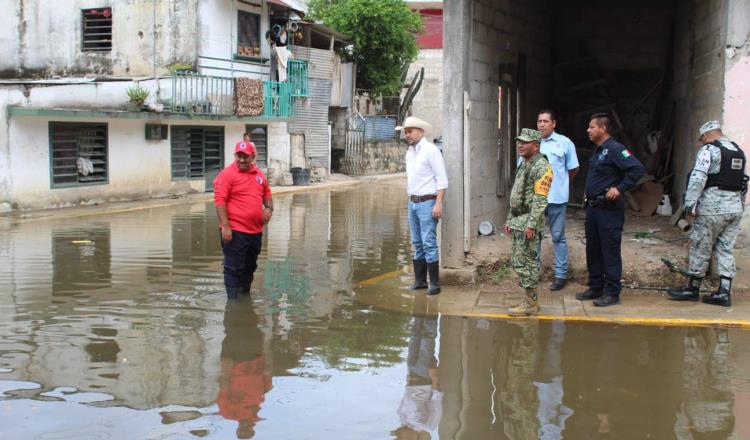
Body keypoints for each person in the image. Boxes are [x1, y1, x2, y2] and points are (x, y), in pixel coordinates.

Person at [667, 120, 747, 307]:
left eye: (701, 139)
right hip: (734, 208)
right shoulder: (738, 151)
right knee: (725, 249)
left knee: (700, 245)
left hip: (712, 208)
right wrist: (740, 205)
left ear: (706, 136)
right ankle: (724, 293)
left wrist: (690, 205)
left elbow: (698, 178)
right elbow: (744, 182)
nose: (701, 143)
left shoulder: (709, 150)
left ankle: (692, 289)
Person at [576, 113, 645, 307]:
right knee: (593, 250)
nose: (588, 130)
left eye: (591, 127)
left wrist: (619, 188)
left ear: (603, 129)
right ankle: (596, 286)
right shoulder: (598, 150)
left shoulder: (615, 149)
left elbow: (637, 169)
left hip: (609, 211)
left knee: (610, 251)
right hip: (593, 208)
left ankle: (612, 292)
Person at [214, 141, 273, 299]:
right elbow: (220, 201)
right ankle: (233, 302)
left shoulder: (259, 175)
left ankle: (244, 296)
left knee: (250, 266)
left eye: (245, 157)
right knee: (233, 267)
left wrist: (268, 208)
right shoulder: (227, 175)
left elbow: (267, 193)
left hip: (255, 232)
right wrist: (225, 226)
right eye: (238, 156)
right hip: (235, 231)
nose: (241, 160)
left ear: (253, 156)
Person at [398, 116, 448, 295]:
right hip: (413, 202)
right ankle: (420, 281)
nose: (407, 135)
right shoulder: (410, 152)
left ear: (421, 131)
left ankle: (434, 283)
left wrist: (438, 203)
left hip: (428, 202)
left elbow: (442, 180)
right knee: (417, 242)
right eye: (406, 132)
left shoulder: (431, 150)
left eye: (410, 131)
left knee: (429, 242)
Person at [505, 128, 552, 317]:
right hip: (519, 220)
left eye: (525, 143)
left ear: (536, 145)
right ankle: (529, 300)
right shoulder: (524, 163)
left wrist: (531, 225)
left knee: (528, 263)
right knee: (519, 261)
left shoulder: (542, 167)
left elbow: (541, 200)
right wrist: (510, 218)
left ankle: (531, 304)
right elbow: (517, 193)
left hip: (528, 223)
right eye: (519, 142)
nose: (520, 145)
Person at [536, 110, 579, 291]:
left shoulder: (565, 143)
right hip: (536, 199)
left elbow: (573, 168)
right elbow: (522, 170)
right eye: (539, 121)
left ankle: (560, 275)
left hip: (557, 199)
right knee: (533, 236)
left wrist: (560, 185)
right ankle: (533, 272)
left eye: (546, 121)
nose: (542, 124)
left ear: (554, 123)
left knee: (558, 236)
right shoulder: (531, 142)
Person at [217, 300, 272, 439]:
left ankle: (238, 303)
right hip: (254, 357)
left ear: (238, 430)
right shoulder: (256, 410)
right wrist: (266, 365)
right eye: (249, 431)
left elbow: (223, 385)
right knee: (250, 327)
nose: (247, 428)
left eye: (244, 431)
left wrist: (226, 365)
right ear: (253, 429)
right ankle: (243, 302)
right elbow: (267, 381)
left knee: (234, 327)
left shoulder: (229, 413)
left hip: (238, 362)